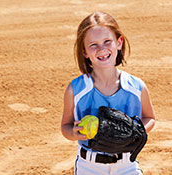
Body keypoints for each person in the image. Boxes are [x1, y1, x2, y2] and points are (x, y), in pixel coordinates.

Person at [61, 11, 156, 175]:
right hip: (89, 166)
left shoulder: (136, 87)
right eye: (93, 45)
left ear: (119, 42)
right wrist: (73, 133)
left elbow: (150, 117)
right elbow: (65, 126)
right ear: (84, 52)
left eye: (107, 41)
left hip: (127, 164)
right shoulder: (75, 90)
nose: (102, 49)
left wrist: (136, 131)